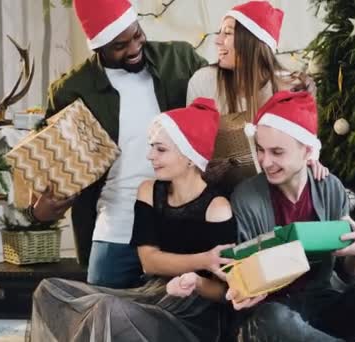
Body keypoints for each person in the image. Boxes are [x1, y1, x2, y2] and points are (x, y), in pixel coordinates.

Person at [28, 0, 208, 288]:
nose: (135, 48)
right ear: (98, 47)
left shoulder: (180, 59)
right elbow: (46, 165)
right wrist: (43, 206)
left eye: (137, 35)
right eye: (120, 46)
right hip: (116, 228)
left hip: (180, 222)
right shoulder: (71, 90)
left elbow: (227, 94)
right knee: (103, 317)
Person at [226, 90, 355, 342]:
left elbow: (349, 275)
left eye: (277, 152)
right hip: (273, 315)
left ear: (307, 151)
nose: (265, 162)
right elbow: (239, 275)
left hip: (323, 306)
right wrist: (246, 288)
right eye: (260, 150)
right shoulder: (247, 197)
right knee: (274, 318)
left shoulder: (328, 187)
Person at [31, 98, 237, 342]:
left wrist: (195, 281)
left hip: (194, 314)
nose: (150, 156)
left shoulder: (217, 208)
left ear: (190, 157)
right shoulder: (149, 191)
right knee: (49, 290)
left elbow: (224, 290)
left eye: (160, 149)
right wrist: (204, 259)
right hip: (153, 295)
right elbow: (149, 262)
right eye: (152, 147)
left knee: (106, 309)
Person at [186, 1, 327, 192]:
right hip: (218, 193)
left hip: (273, 192)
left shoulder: (290, 87)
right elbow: (192, 149)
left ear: (251, 41)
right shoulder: (203, 81)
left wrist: (310, 162)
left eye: (227, 33)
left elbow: (307, 148)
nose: (217, 40)